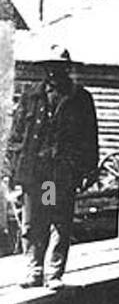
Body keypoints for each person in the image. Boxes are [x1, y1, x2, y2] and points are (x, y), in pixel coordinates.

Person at [3, 50, 99, 288]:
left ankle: (53, 273)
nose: (54, 72)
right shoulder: (31, 97)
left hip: (60, 173)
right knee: (33, 221)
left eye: (59, 67)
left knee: (58, 220)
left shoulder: (80, 98)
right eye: (50, 67)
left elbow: (90, 138)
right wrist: (10, 171)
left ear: (67, 69)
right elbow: (16, 136)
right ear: (45, 70)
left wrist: (87, 170)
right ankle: (34, 270)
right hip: (35, 172)